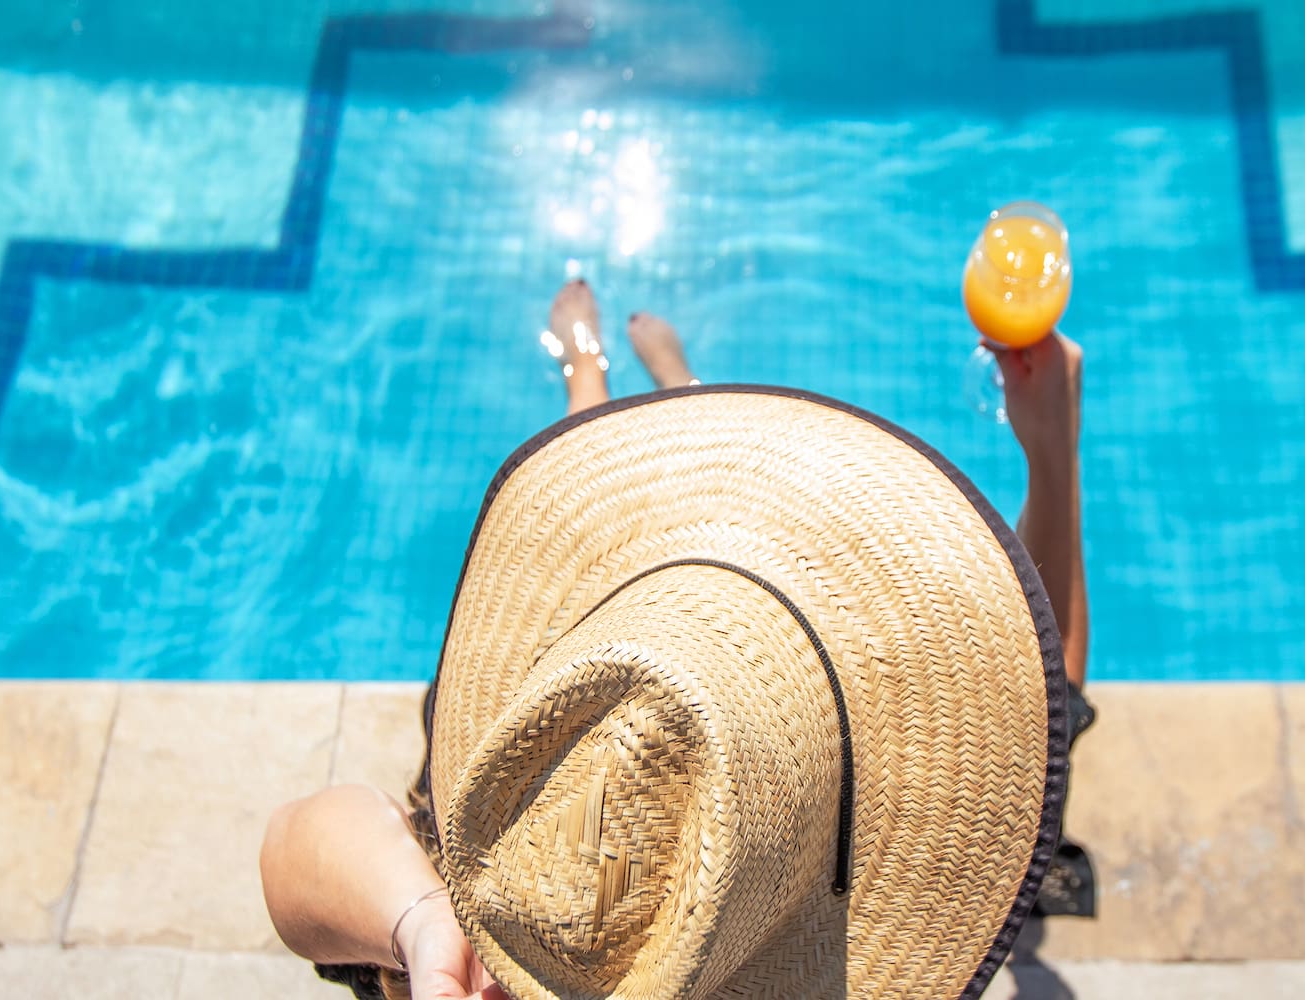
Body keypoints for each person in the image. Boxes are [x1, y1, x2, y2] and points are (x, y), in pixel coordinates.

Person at [260, 279, 1094, 1000]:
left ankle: (592, 377)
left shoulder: (512, 940)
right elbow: (1038, 700)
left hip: (564, 765)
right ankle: (680, 387)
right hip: (615, 751)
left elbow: (292, 852)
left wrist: (426, 921)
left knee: (600, 543)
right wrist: (1053, 451)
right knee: (625, 531)